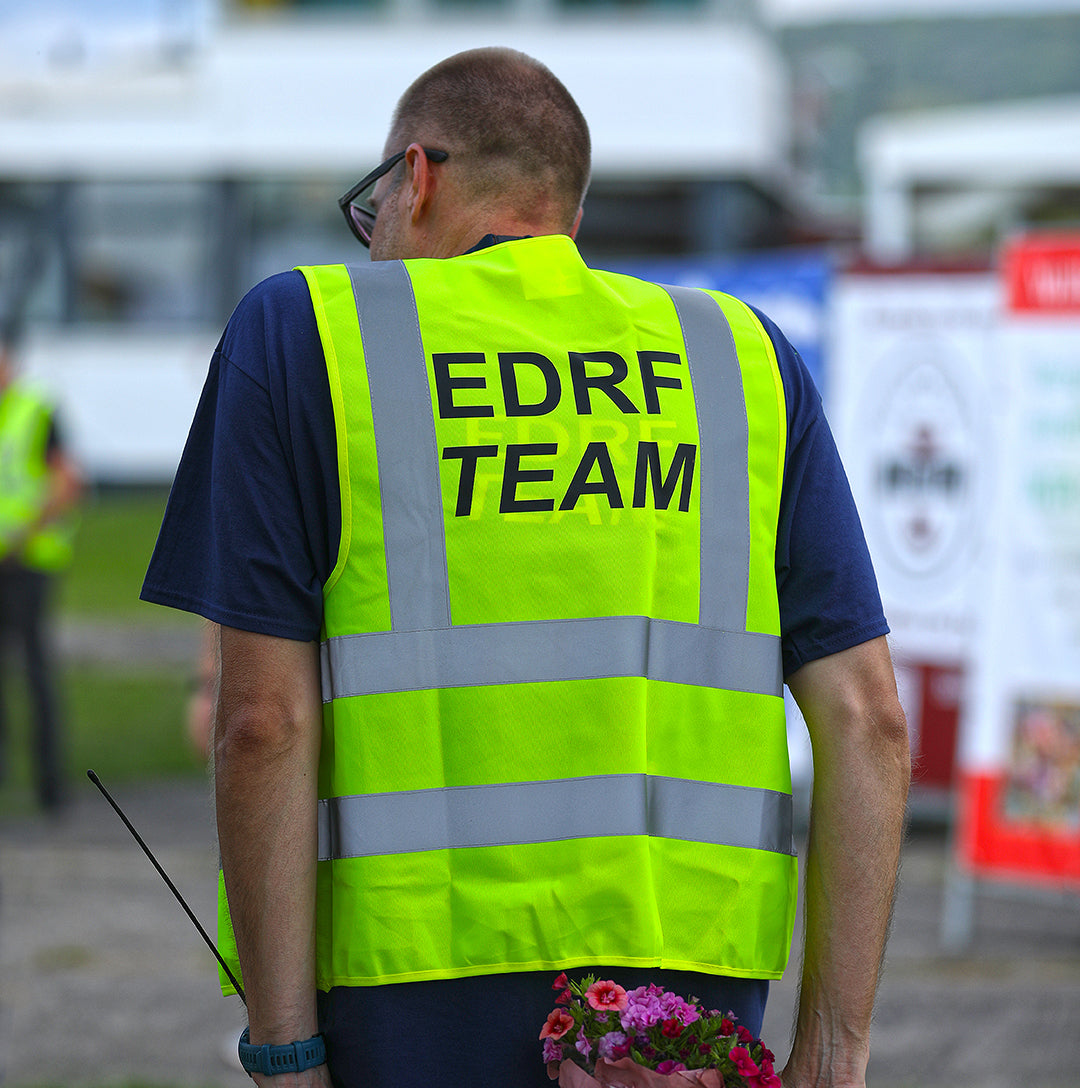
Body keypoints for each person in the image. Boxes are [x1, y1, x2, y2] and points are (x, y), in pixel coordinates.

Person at [141, 47, 909, 1088]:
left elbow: (261, 722)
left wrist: (285, 1047)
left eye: (373, 212)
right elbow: (868, 718)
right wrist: (834, 1048)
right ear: (566, 214)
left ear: (416, 179)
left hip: (410, 987)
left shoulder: (307, 335)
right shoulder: (739, 356)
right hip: (687, 999)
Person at [0, 337, 82, 811]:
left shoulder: (34, 409)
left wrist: (24, 533)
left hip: (28, 562)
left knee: (34, 671)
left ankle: (50, 787)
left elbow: (68, 482)